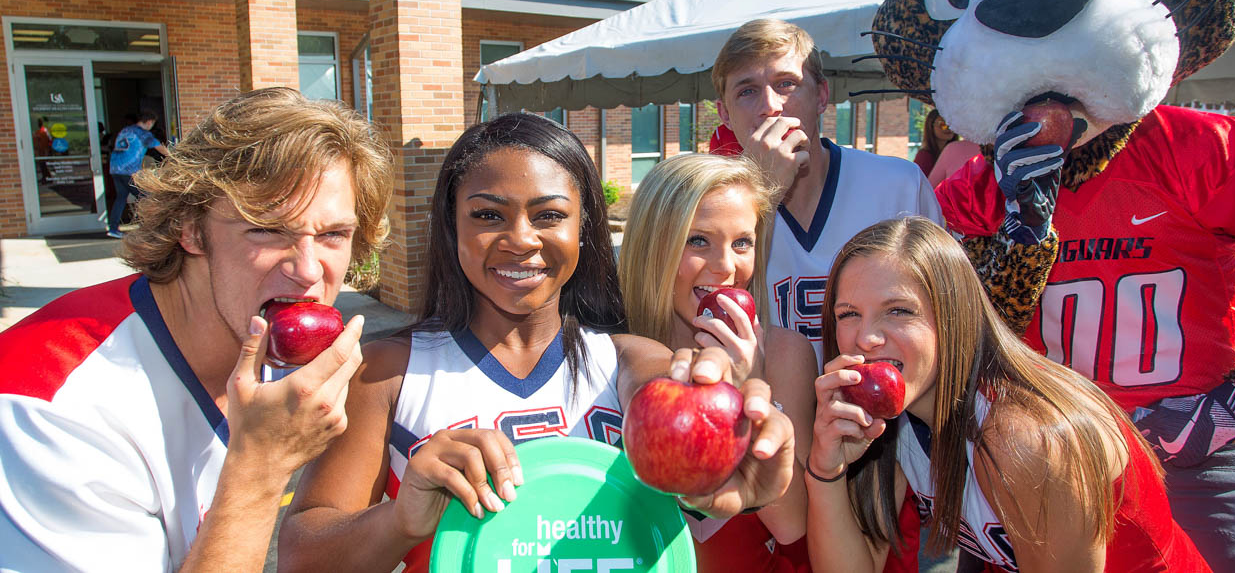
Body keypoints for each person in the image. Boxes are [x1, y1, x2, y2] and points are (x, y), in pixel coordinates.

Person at [277, 113, 796, 572]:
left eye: (549, 215)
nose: (522, 239)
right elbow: (301, 557)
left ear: (583, 229)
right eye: (487, 215)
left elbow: (678, 411)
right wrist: (398, 520)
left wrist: (725, 453)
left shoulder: (631, 360)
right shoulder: (385, 371)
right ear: (450, 224)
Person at [0, 87, 394, 571]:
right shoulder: (54, 414)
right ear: (190, 228)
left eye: (333, 234)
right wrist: (260, 468)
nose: (309, 270)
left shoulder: (260, 344)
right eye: (267, 228)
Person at [804, 217, 1208, 572]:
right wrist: (826, 468)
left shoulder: (1024, 438)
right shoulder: (897, 417)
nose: (867, 337)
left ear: (954, 315)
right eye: (848, 314)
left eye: (899, 311)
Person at [619, 153, 818, 571]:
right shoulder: (609, 353)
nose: (726, 267)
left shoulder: (785, 354)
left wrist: (753, 385)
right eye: (698, 240)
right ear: (653, 246)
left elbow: (791, 526)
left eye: (742, 242)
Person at [710, 18, 942, 360]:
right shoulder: (710, 207)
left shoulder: (899, 184)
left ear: (821, 96)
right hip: (768, 405)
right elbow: (715, 314)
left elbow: (945, 314)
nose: (770, 106)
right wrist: (763, 191)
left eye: (786, 83)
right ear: (724, 113)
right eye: (747, 91)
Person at [107, 110, 170, 238]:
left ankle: (113, 229)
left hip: (115, 168)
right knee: (147, 197)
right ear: (149, 122)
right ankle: (149, 228)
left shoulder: (126, 130)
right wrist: (176, 157)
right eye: (152, 123)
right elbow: (161, 149)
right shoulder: (143, 134)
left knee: (120, 198)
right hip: (128, 170)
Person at [918, 111, 981, 188]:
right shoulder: (924, 156)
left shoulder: (954, 150)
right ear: (930, 127)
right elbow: (923, 187)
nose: (949, 129)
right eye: (943, 125)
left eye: (951, 125)